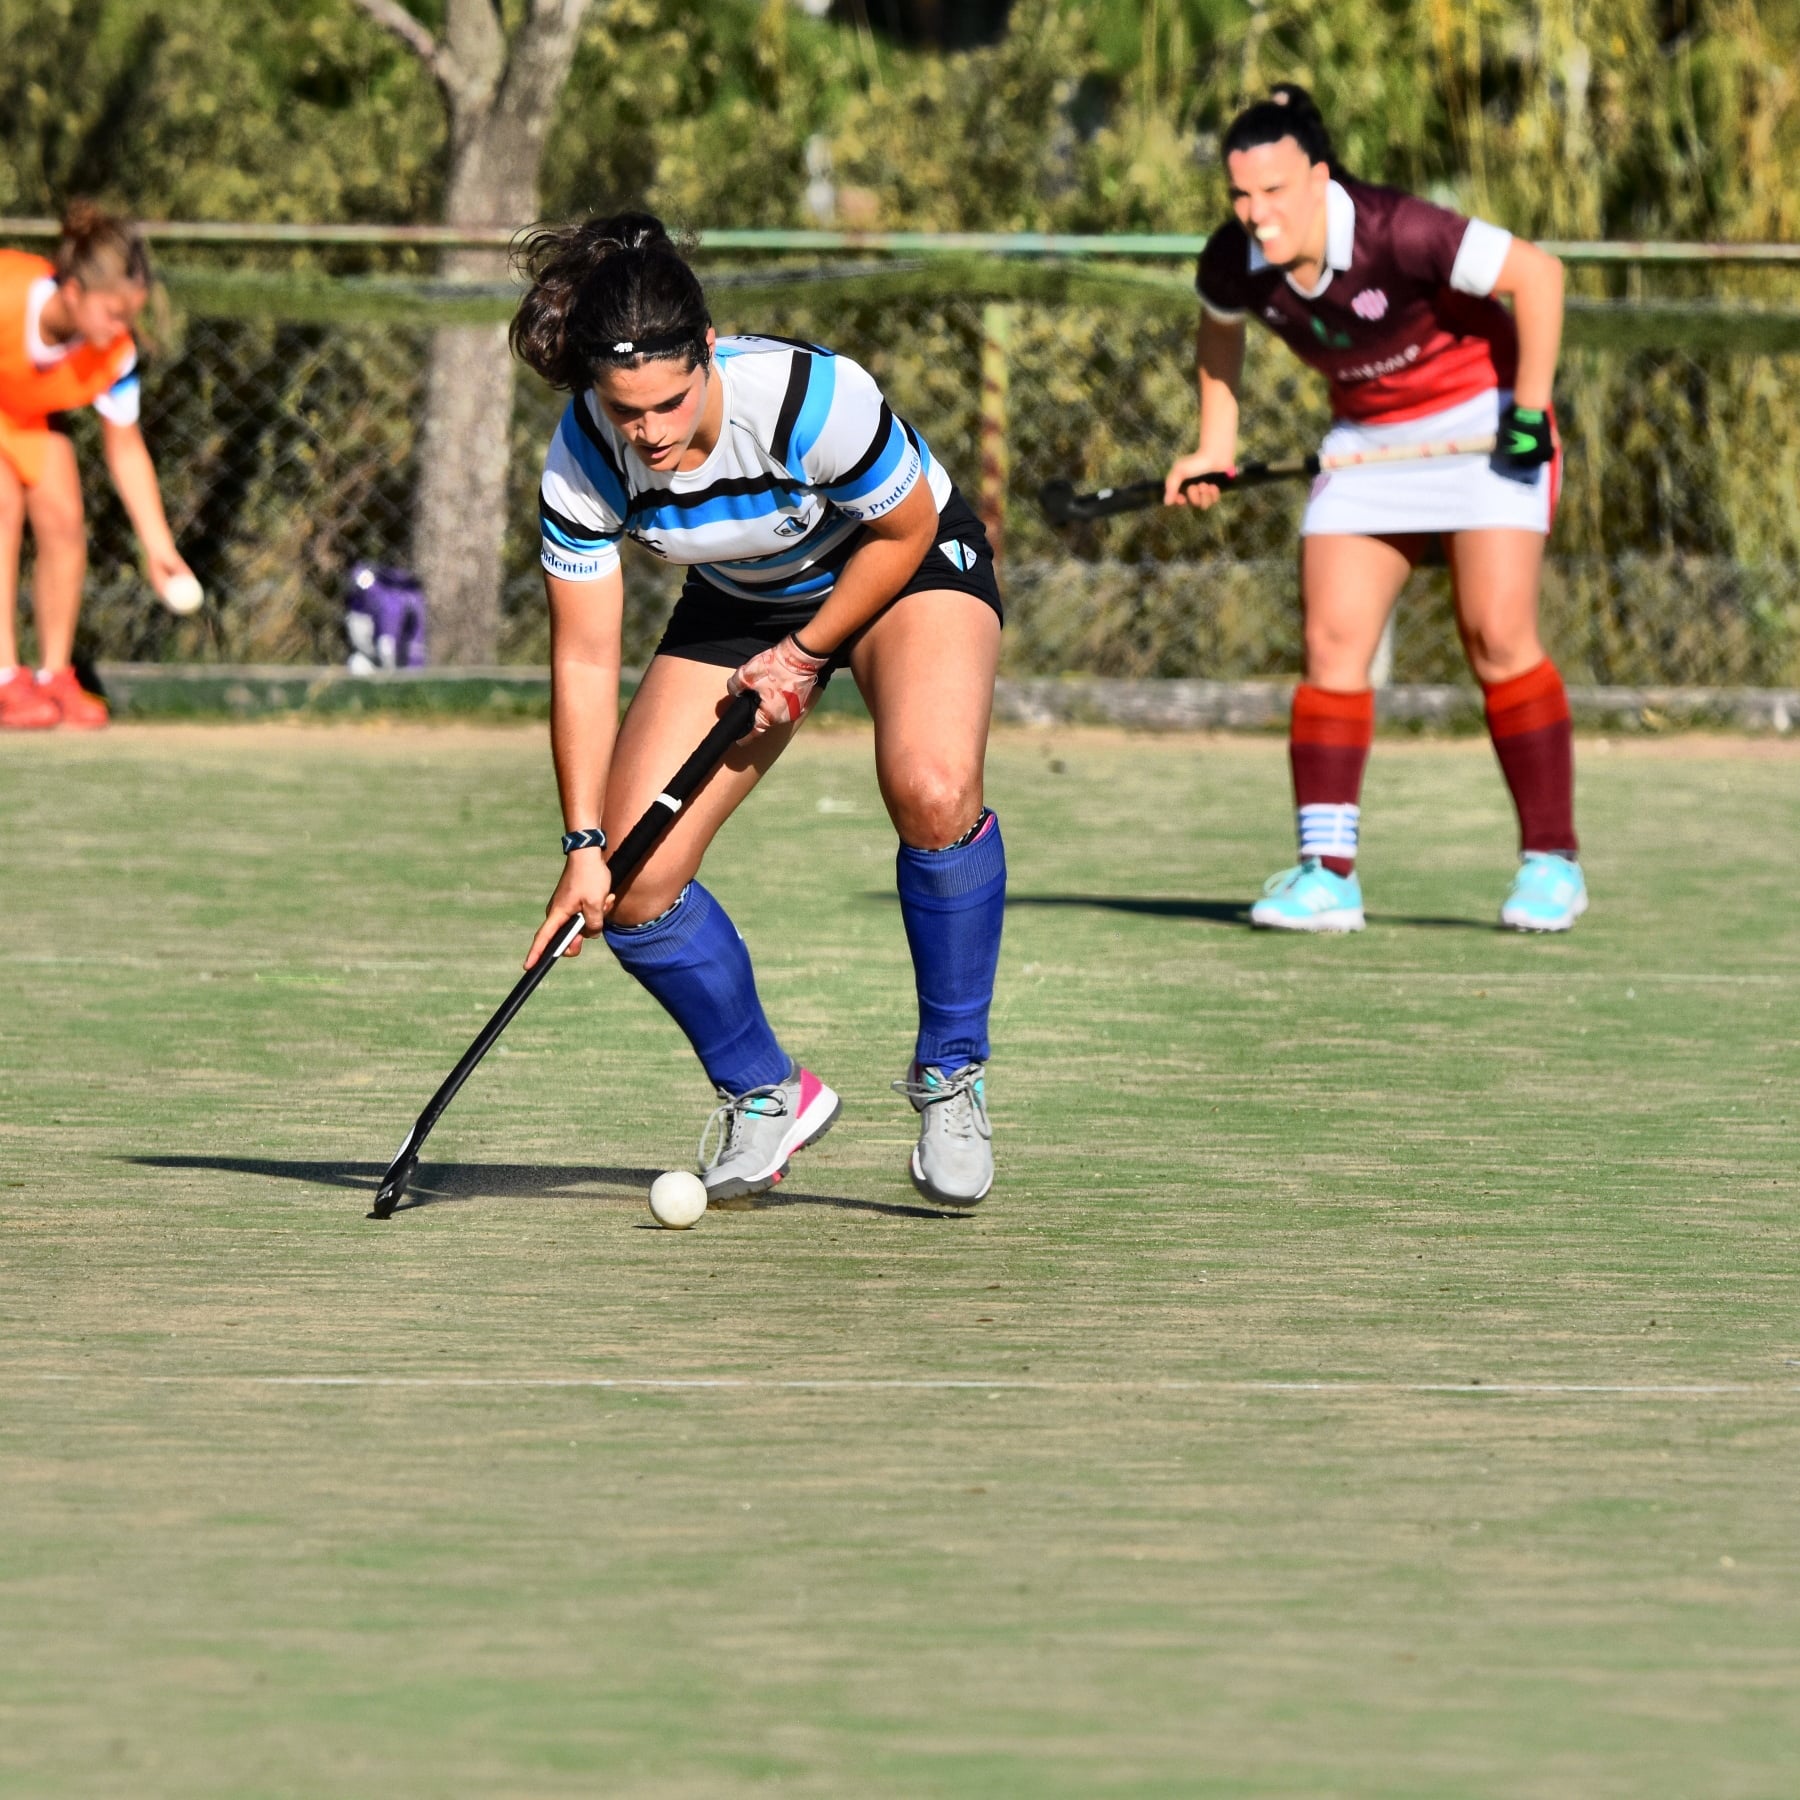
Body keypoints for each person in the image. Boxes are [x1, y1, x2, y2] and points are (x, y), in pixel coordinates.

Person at [513, 214, 1006, 1206]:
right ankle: (767, 1094)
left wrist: (811, 650)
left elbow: (903, 525)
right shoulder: (584, 457)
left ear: (706, 354)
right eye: (624, 410)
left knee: (931, 783)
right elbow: (582, 654)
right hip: (742, 599)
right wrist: (581, 842)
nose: (647, 434)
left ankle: (951, 1077)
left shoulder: (810, 399)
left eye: (668, 402)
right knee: (636, 883)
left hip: (899, 564)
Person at [1166, 87, 1585, 933]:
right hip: (1367, 440)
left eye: (1276, 192)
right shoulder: (1232, 259)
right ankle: (1328, 876)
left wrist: (1533, 414)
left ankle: (1552, 863)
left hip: (1485, 422)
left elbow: (1539, 276)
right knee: (1331, 644)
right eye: (1242, 196)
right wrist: (1216, 443)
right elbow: (1220, 334)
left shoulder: (1400, 229)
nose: (1257, 214)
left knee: (1497, 638)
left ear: (1320, 177)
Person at [0, 203, 196, 729]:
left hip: (27, 418)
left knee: (64, 521)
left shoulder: (113, 355)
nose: (121, 328)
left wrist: (159, 549)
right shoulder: (6, 292)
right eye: (113, 314)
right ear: (72, 293)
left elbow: (126, 448)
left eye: (129, 316)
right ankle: (2, 678)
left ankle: (53, 677)